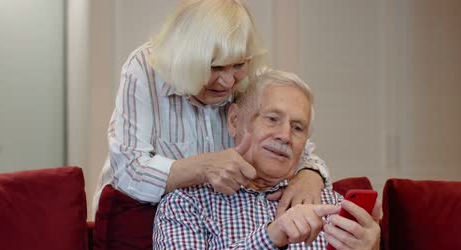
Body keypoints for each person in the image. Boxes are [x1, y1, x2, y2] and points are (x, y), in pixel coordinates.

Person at [153, 70, 387, 250]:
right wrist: (269, 239)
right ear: (234, 121)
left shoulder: (330, 205)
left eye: (297, 127)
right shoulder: (188, 201)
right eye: (273, 119)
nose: (284, 135)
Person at [93, 0, 329, 216]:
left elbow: (298, 149)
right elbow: (129, 171)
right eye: (214, 68)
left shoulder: (252, 75)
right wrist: (203, 167)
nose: (227, 82)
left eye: (237, 65)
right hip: (140, 215)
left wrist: (310, 175)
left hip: (220, 222)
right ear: (186, 59)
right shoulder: (146, 69)